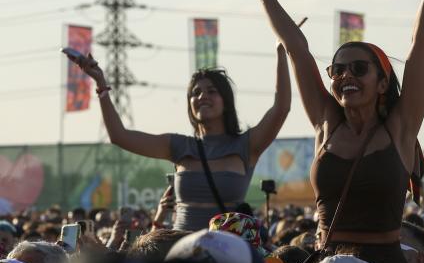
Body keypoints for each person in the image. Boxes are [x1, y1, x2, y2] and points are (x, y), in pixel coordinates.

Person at [236, 0, 424, 263]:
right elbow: (297, 47)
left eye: (358, 68)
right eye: (337, 70)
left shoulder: (400, 128)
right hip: (328, 260)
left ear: (383, 83)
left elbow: (421, 44)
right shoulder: (326, 124)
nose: (345, 76)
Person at [68, 44, 291, 231]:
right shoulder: (177, 146)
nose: (202, 96)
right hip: (180, 254)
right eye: (196, 92)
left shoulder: (246, 145)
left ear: (226, 101)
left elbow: (281, 108)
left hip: (229, 255)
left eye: (211, 91)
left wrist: (282, 54)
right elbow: (119, 136)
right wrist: (101, 85)